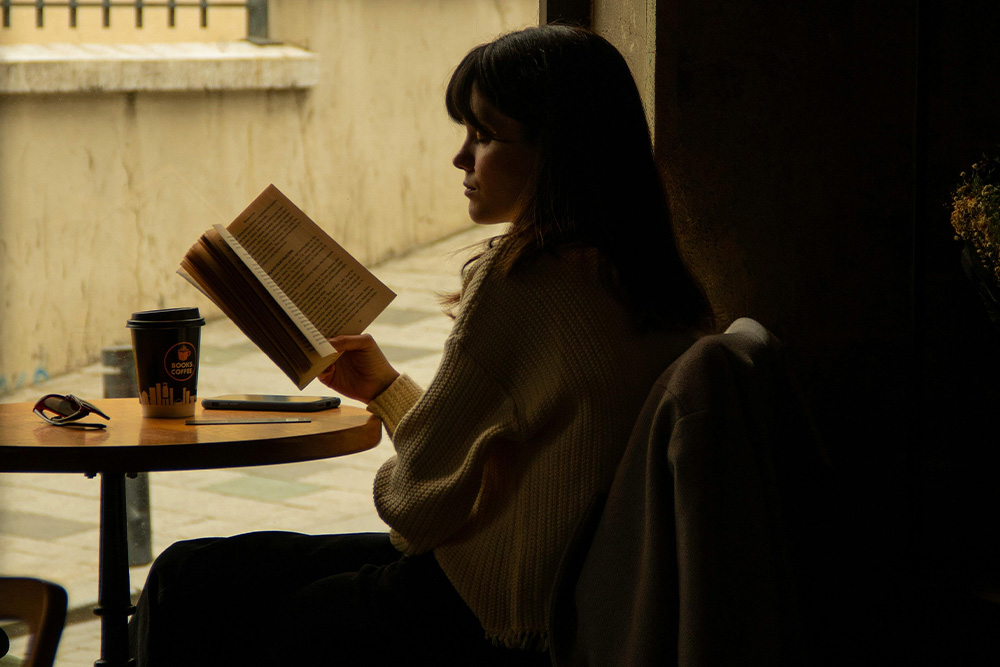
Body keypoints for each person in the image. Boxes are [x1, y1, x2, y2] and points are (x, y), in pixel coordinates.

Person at [128, 24, 713, 665]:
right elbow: (498, 444)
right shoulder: (648, 275)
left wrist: (407, 467)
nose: (461, 158)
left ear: (559, 152)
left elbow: (414, 509)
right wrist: (385, 389)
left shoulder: (525, 279)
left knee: (190, 582)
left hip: (489, 610)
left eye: (484, 136)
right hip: (552, 593)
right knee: (204, 574)